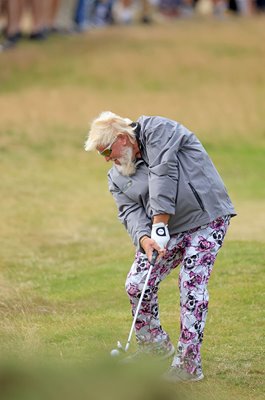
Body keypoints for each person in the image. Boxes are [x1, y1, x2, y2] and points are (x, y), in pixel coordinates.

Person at [84, 111, 236, 382]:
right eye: (102, 155)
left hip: (207, 218)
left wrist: (160, 223)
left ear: (122, 138)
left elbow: (163, 172)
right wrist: (145, 239)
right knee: (136, 284)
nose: (107, 158)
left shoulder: (157, 129)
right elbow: (129, 211)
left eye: (107, 151)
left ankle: (189, 365)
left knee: (191, 288)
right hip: (164, 230)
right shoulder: (116, 176)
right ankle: (154, 346)